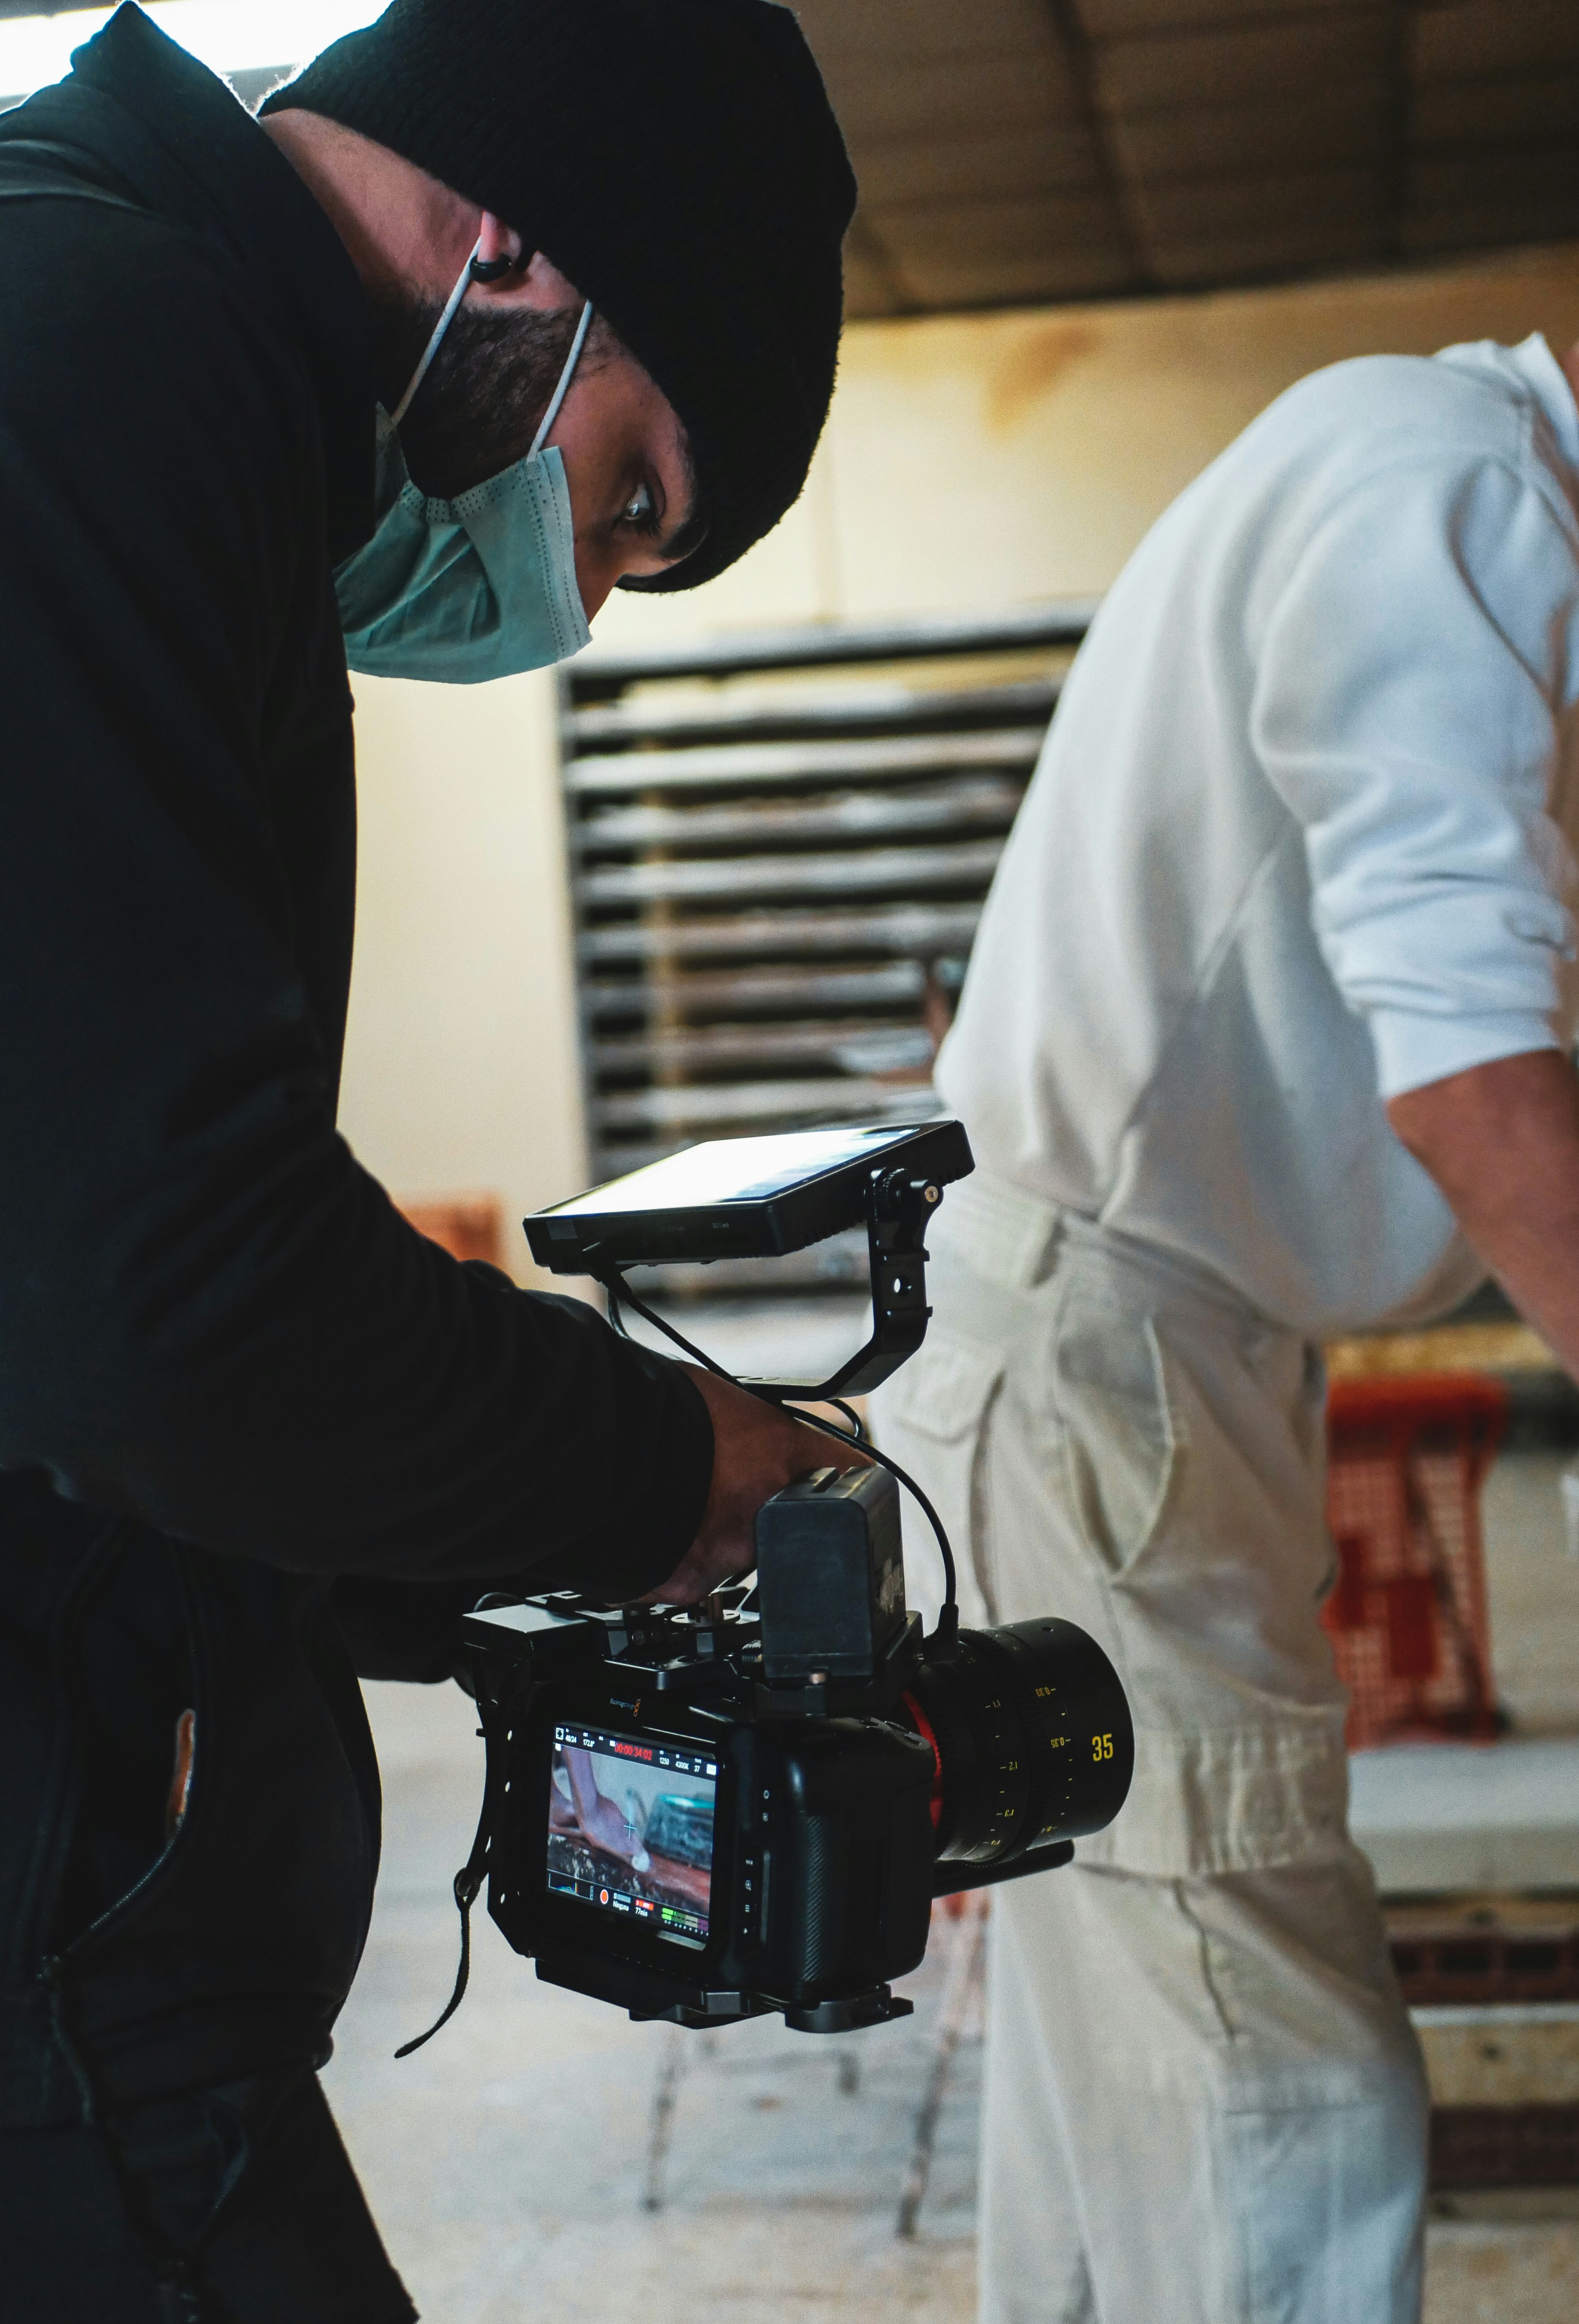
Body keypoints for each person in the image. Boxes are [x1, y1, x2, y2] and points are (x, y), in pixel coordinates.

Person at [0, 2, 855, 2315]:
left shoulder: (136, 344)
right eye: (632, 492)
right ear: (523, 251)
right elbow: (156, 1300)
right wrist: (670, 1465)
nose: (572, 588)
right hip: (58, 1960)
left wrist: (436, 1560)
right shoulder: (101, 350)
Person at [872, 182, 1579, 2324]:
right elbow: (1474, 1083)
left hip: (1183, 1355)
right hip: (1098, 1351)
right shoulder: (1442, 496)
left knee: (1138, 2078)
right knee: (1286, 2105)